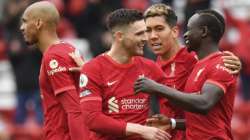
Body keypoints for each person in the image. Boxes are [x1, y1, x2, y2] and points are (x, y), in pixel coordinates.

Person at [142, 3, 241, 140]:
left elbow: (205, 103)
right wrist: (171, 123)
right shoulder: (153, 66)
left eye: (159, 29)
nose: (152, 36)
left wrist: (233, 62)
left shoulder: (193, 58)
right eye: (148, 30)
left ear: (175, 31)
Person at [79, 8, 171, 140]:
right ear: (119, 36)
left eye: (145, 33)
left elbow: (172, 100)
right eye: (139, 34)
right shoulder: (93, 68)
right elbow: (92, 119)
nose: (146, 38)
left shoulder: (150, 67)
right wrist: (141, 130)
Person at [20, 1, 87, 140]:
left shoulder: (53, 57)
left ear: (38, 23)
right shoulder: (69, 48)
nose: (22, 27)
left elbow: (74, 110)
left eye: (25, 22)